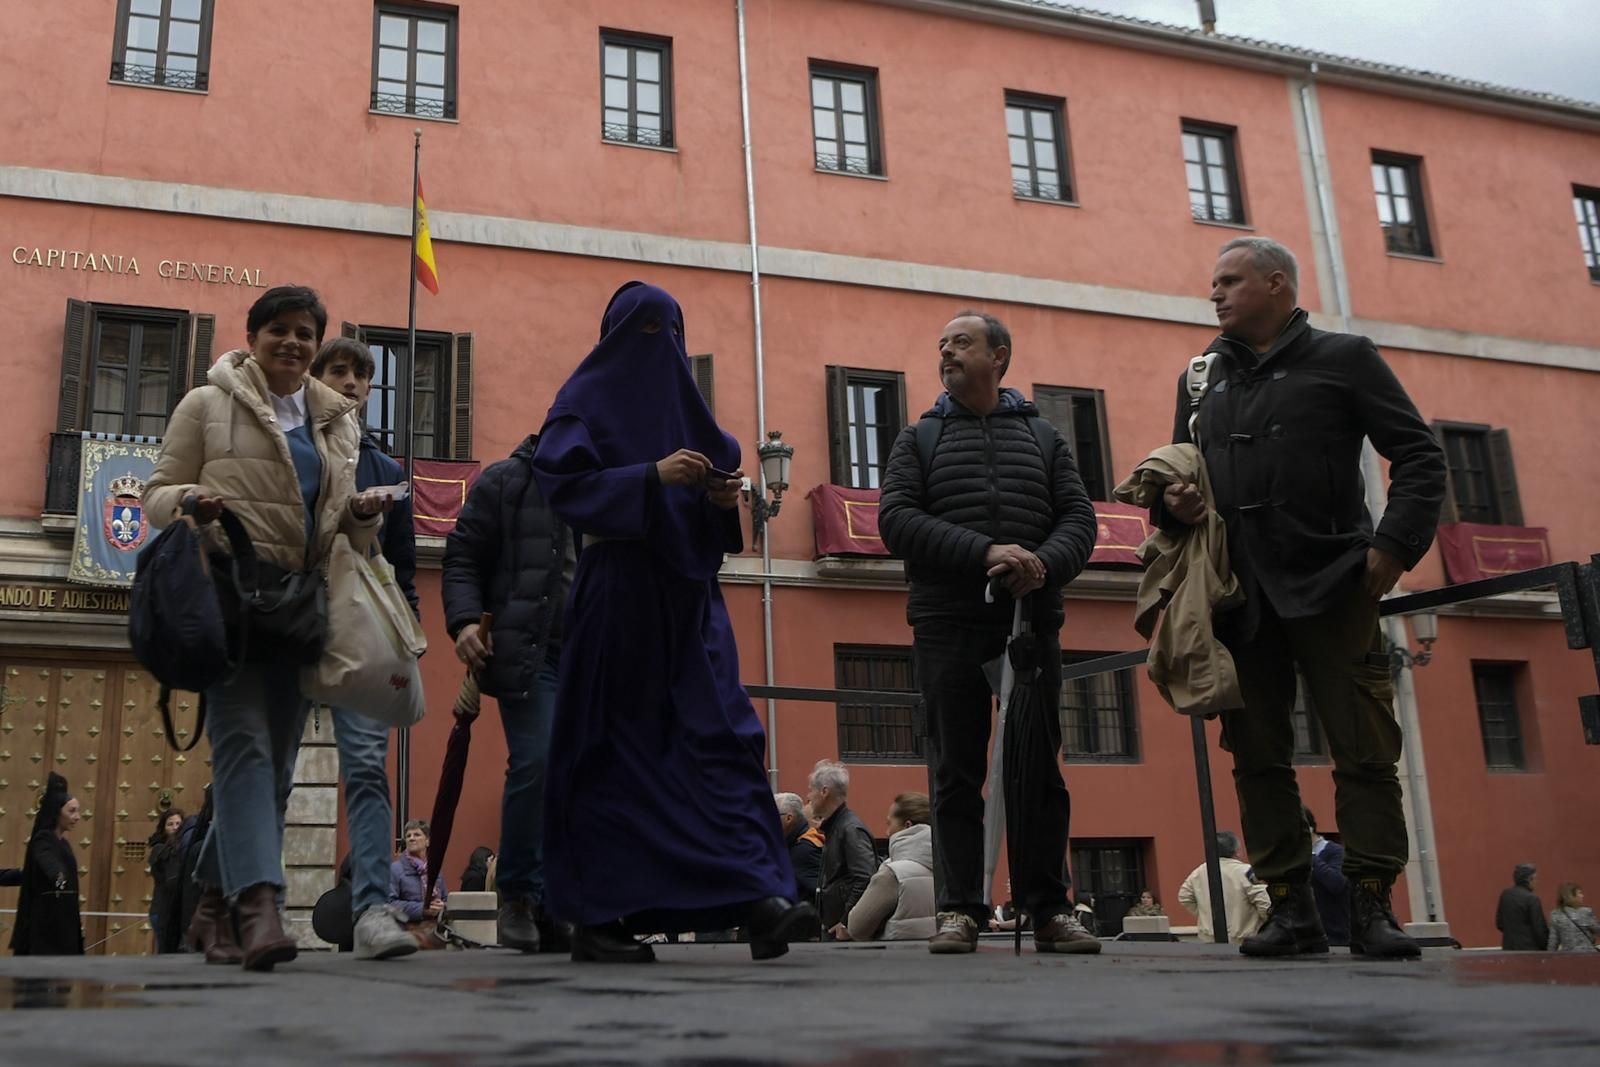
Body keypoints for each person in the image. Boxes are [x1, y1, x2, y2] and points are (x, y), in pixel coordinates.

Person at [1158, 238, 1446, 960]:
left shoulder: (1345, 358)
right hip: (1239, 599)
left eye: (1230, 281)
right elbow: (1175, 484)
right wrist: (1177, 502)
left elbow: (1419, 453)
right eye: (1213, 282)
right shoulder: (1199, 379)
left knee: (1366, 751)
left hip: (1334, 584)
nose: (1215, 294)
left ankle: (1374, 906)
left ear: (1277, 283)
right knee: (1256, 759)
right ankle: (1291, 909)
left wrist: (1393, 544)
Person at [531, 281, 812, 964]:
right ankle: (600, 919)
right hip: (618, 601)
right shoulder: (580, 405)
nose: (664, 348)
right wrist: (649, 476)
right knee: (612, 754)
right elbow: (563, 487)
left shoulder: (695, 415)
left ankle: (761, 896)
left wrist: (721, 496)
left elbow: (717, 517)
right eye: (646, 330)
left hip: (690, 604)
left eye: (673, 332)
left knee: (725, 739)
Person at [145, 285, 391, 971]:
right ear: (252, 336)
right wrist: (190, 499)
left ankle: (208, 910)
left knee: (277, 767)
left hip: (298, 607)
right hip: (228, 603)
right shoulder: (206, 404)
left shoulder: (337, 425)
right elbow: (155, 494)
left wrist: (364, 511)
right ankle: (259, 905)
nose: (293, 342)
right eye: (279, 330)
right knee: (245, 749)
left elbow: (340, 525)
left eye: (305, 333)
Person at [878, 309, 1099, 956]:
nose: (946, 351)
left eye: (961, 342)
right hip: (947, 619)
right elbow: (895, 519)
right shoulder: (916, 438)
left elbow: (1079, 519)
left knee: (1037, 767)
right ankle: (960, 910)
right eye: (941, 342)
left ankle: (1050, 908)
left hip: (1029, 621)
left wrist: (1042, 564)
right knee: (954, 769)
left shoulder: (1046, 439)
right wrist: (986, 551)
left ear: (999, 355)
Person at [310, 337, 421, 962]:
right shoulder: (293, 446)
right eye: (340, 371)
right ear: (316, 379)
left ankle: (373, 908)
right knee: (265, 765)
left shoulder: (387, 469)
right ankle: (243, 901)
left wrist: (410, 633)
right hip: (294, 619)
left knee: (366, 771)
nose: (353, 383)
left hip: (364, 633)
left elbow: (403, 563)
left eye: (361, 374)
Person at [442, 425, 571, 954]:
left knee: (579, 775)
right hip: (531, 654)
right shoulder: (505, 481)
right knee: (536, 761)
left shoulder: (606, 486)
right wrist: (466, 622)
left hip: (593, 656)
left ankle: (557, 901)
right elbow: (462, 557)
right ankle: (517, 895)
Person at [843, 792, 936, 942]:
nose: (887, 833)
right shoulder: (948, 871)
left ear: (907, 826)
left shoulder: (892, 874)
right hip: (940, 961)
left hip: (896, 960)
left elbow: (856, 928)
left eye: (889, 823)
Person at [10, 773, 84, 956]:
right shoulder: (43, 839)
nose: (77, 817)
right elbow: (50, 864)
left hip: (64, 921)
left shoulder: (63, 843)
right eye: (71, 811)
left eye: (78, 811)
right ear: (56, 812)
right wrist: (59, 879)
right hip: (48, 925)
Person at [807, 760, 876, 938]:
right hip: (835, 928)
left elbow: (865, 877)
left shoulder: (849, 829)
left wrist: (846, 922)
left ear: (824, 791)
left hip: (842, 933)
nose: (808, 796)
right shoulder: (837, 827)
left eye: (811, 789)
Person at [1178, 831, 1272, 945]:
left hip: (1209, 939)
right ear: (1237, 851)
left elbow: (1184, 897)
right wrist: (1266, 923)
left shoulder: (1200, 871)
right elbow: (1265, 903)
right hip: (1244, 939)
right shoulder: (1246, 871)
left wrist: (1206, 915)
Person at [1304, 807, 1351, 947]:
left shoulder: (1335, 852)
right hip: (1306, 935)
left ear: (1310, 829)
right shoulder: (1294, 858)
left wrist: (1310, 857)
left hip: (1335, 935)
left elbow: (1337, 883)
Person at [390, 820, 448, 924]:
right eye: (408, 836)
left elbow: (445, 898)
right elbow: (390, 904)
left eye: (417, 835)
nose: (412, 838)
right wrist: (422, 909)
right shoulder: (395, 869)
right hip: (407, 932)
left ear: (427, 841)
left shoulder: (434, 869)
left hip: (435, 930)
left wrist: (442, 906)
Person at [147, 809, 186, 953]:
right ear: (163, 828)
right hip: (163, 910)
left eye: (178, 823)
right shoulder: (159, 850)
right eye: (170, 824)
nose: (175, 827)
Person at [775, 792, 825, 899]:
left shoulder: (804, 849)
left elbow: (821, 894)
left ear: (789, 818)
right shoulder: (796, 842)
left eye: (773, 815)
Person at [1496, 863, 1548, 950]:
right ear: (1529, 879)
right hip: (1529, 950)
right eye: (1535, 878)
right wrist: (1545, 947)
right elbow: (1539, 929)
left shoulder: (1505, 895)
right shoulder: (1532, 899)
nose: (1536, 881)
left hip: (1508, 948)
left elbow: (1499, 923)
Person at [1547, 883, 1600, 951]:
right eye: (1579, 893)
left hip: (1568, 957)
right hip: (1588, 955)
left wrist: (1550, 958)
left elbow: (1553, 942)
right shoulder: (1585, 912)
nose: (1582, 896)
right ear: (1571, 896)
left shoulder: (1555, 915)